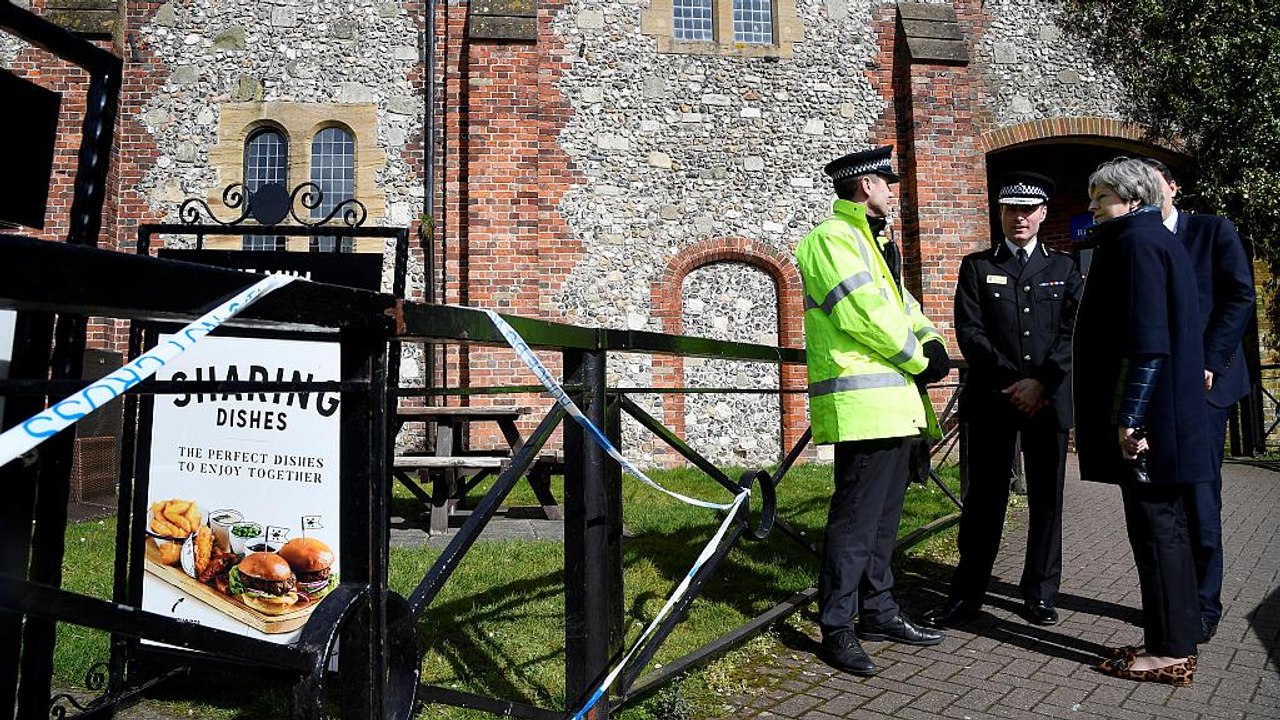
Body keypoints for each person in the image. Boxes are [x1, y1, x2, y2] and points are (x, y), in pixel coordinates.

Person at [796, 145, 952, 677]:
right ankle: (837, 626)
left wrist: (931, 341)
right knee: (855, 522)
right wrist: (918, 356)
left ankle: (879, 611)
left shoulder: (874, 242)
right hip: (864, 405)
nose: (893, 189)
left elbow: (902, 305)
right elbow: (862, 313)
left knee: (882, 521)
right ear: (865, 185)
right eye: (888, 181)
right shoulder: (830, 240)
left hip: (894, 404)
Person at [923, 172, 1082, 629]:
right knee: (983, 501)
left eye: (1029, 210)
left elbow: (1071, 335)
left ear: (1043, 214)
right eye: (1012, 209)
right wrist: (1016, 382)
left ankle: (1040, 592)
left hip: (1048, 401)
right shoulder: (976, 266)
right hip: (995, 399)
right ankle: (966, 594)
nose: (1020, 218)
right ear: (1001, 213)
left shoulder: (1064, 269)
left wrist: (1041, 384)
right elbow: (970, 333)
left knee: (1047, 500)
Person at [1075, 157, 1212, 686]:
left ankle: (1169, 651)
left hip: (1151, 422)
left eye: (1101, 197)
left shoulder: (1133, 245)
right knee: (1167, 532)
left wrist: (1129, 419)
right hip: (1169, 417)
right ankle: (1174, 639)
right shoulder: (1155, 239)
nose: (1092, 207)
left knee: (1157, 535)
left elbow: (1147, 341)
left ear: (1131, 199)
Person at [1140, 157, 1255, 643]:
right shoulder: (1137, 240)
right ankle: (1175, 604)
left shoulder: (1212, 231)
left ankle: (1205, 606)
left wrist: (1208, 360)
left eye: (1154, 184)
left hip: (1206, 388)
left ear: (1172, 187)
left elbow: (1239, 297)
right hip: (1154, 391)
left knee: (1201, 499)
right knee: (1163, 503)